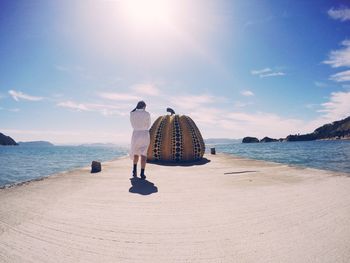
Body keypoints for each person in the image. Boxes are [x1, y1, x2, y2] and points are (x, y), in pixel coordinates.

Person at [130, 101, 151, 179]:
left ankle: (134, 170)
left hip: (135, 134)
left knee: (135, 153)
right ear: (144, 106)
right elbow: (149, 124)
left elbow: (132, 123)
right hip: (144, 134)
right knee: (143, 154)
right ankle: (142, 173)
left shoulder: (132, 114)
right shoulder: (147, 114)